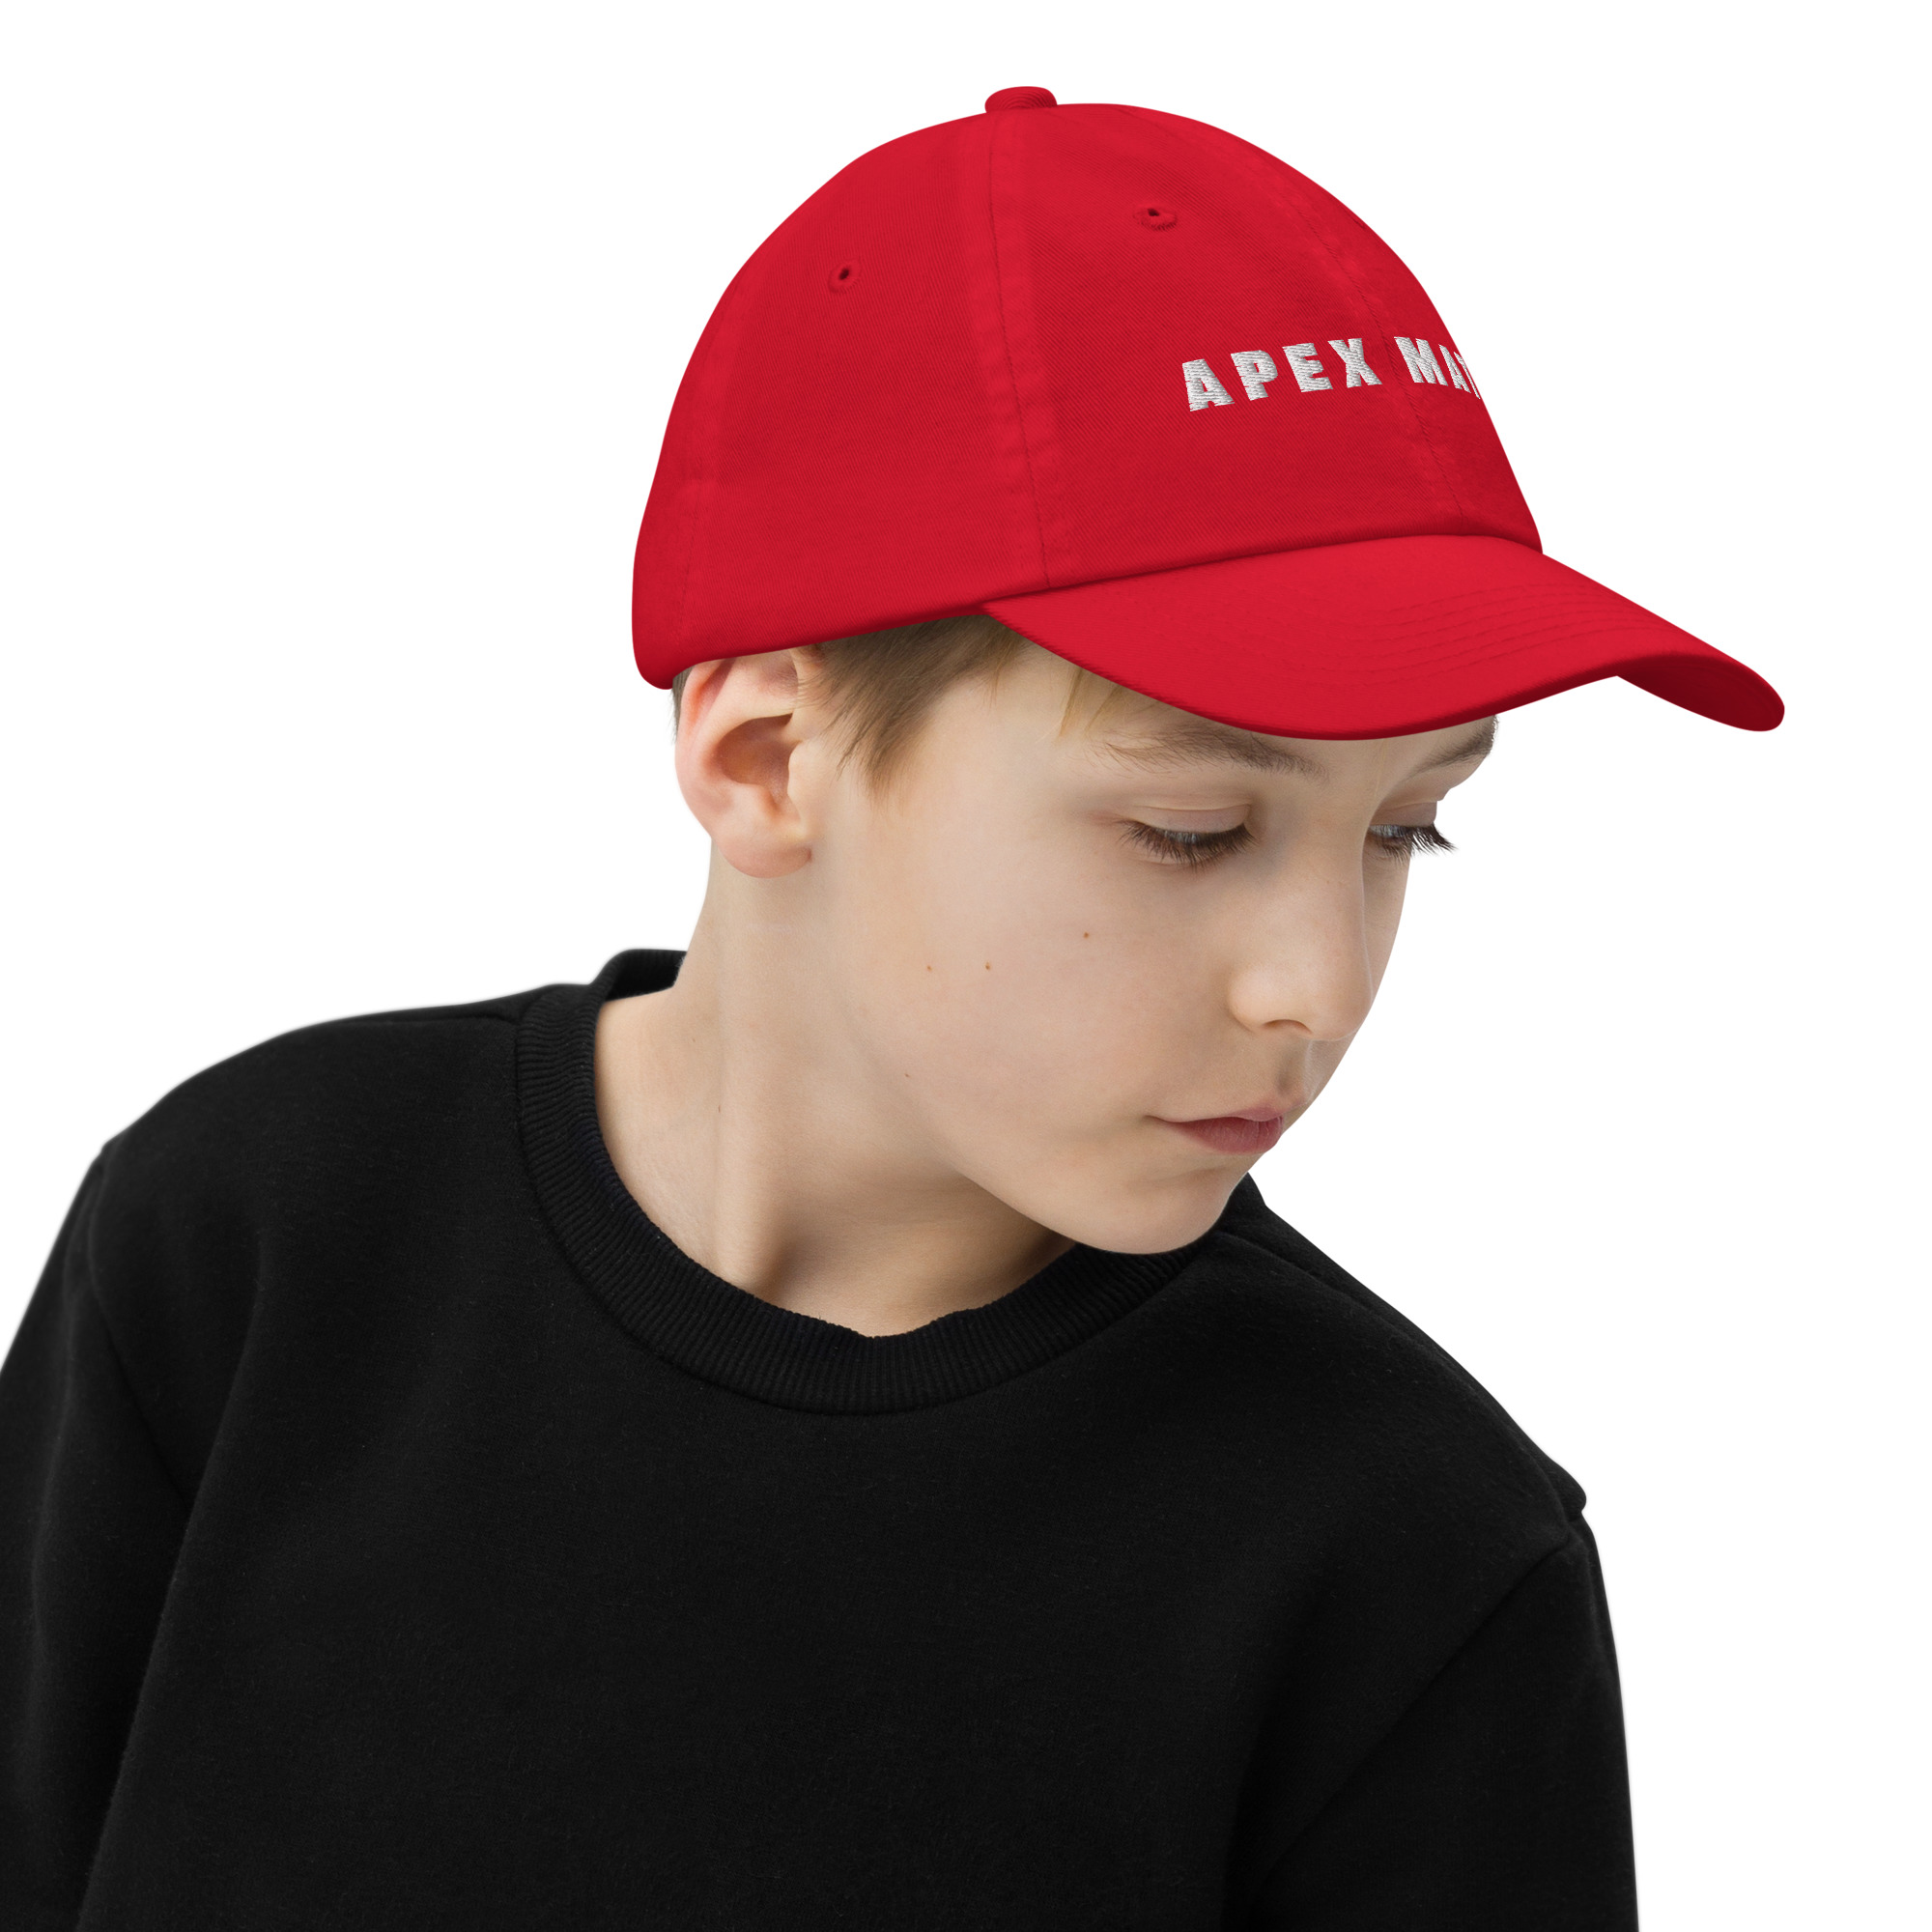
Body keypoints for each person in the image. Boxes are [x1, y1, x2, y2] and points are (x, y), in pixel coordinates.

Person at [0, 87, 1780, 1929]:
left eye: (1409, 826)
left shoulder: (1409, 1565)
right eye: (1190, 831)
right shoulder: (254, 1243)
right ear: (769, 759)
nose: (1316, 987)